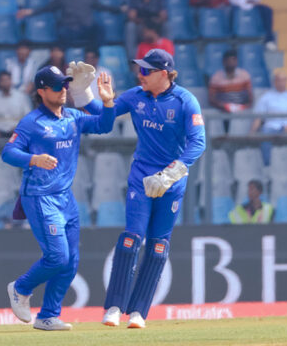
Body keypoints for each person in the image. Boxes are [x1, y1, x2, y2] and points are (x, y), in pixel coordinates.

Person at [73, 49, 205, 328]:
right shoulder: (135, 96)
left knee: (158, 246)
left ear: (164, 73)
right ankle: (113, 307)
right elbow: (103, 116)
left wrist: (173, 172)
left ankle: (138, 313)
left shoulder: (186, 101)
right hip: (142, 177)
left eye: (146, 71)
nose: (140, 75)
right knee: (131, 238)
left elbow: (198, 142)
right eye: (139, 69)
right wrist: (85, 95)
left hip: (171, 181)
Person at [3, 66, 116, 331]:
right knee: (57, 256)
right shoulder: (31, 122)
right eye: (56, 86)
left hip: (66, 198)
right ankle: (20, 288)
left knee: (70, 261)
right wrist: (34, 159)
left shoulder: (73, 117)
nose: (63, 90)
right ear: (41, 91)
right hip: (40, 196)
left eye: (65, 85)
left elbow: (104, 125)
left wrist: (108, 102)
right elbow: (8, 152)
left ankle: (47, 316)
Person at [17, 0, 120, 48]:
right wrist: (30, 11)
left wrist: (120, 9)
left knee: (99, 29)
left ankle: (94, 57)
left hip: (86, 29)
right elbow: (48, 8)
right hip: (69, 30)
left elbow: (102, 7)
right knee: (60, 32)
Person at [0, 71, 32, 138]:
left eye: (8, 80)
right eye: (3, 80)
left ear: (11, 81)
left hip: (18, 132)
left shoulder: (21, 97)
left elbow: (28, 116)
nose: (6, 82)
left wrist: (20, 128)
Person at [208, 49, 253, 114]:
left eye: (233, 60)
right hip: (222, 111)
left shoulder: (244, 75)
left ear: (237, 61)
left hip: (242, 111)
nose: (231, 63)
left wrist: (243, 107)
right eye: (228, 60)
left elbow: (250, 97)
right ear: (224, 62)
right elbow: (211, 99)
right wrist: (225, 107)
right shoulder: (216, 77)